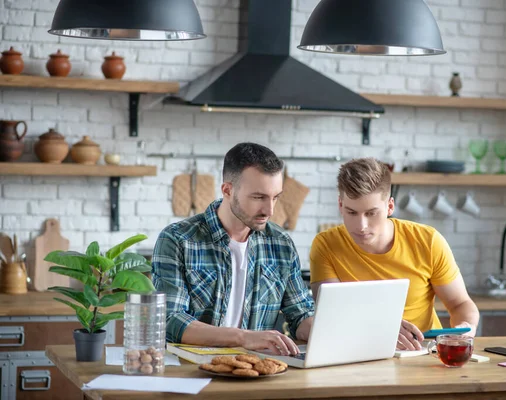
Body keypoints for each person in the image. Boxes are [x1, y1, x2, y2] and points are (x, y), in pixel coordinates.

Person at [153, 142, 314, 356]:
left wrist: (329, 333)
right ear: (228, 190)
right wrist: (243, 337)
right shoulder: (178, 239)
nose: (270, 210)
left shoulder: (281, 244)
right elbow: (170, 320)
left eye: (275, 197)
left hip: (256, 371)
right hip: (191, 371)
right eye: (258, 197)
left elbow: (301, 314)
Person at [310, 158, 479, 351]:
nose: (361, 226)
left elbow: (460, 303)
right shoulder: (325, 245)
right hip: (359, 352)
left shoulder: (428, 241)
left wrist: (467, 327)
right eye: (351, 212)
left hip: (423, 354)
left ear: (390, 207)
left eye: (371, 213)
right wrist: (384, 328)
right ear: (340, 205)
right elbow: (333, 314)